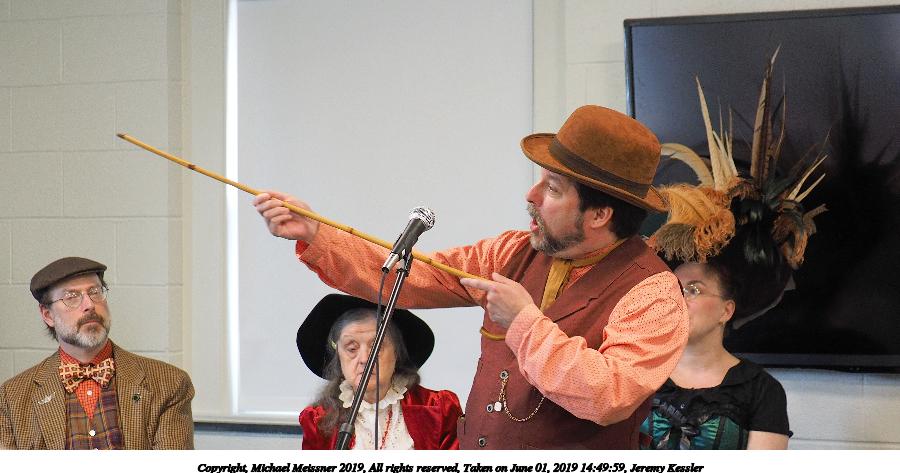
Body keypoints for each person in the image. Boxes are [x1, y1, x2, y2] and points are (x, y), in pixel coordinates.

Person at [253, 105, 689, 449]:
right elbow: (414, 275)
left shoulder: (653, 292)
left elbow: (610, 395)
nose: (531, 195)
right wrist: (317, 234)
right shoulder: (510, 251)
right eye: (540, 181)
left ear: (599, 215)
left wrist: (524, 323)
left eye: (553, 189)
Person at [641, 66, 826, 449]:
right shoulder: (636, 376)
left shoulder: (761, 390)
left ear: (727, 310)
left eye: (693, 289)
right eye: (674, 288)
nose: (677, 299)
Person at [0, 257, 195, 449]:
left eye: (95, 292)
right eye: (71, 297)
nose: (89, 304)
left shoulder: (169, 383)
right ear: (48, 315)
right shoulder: (11, 398)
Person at [297, 294, 461, 449]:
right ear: (338, 357)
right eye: (352, 348)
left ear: (396, 353)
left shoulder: (438, 409)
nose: (364, 359)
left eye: (376, 347)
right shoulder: (318, 420)